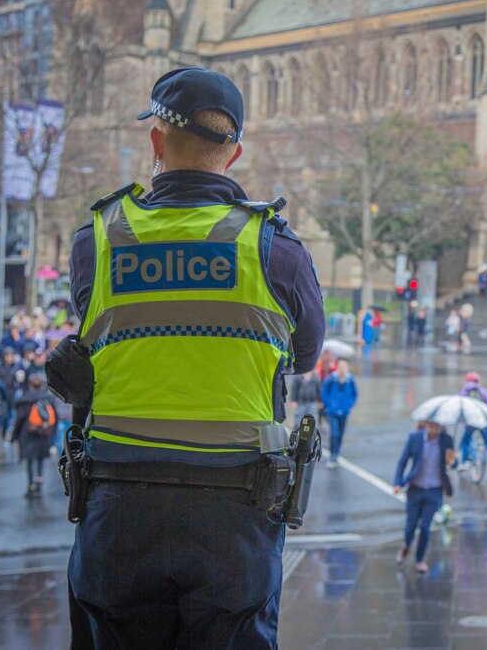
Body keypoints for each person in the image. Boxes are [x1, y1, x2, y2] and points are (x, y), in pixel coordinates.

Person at [65, 67, 324, 648]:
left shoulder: (98, 241)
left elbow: (89, 335)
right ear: (232, 155)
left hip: (117, 504)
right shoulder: (276, 249)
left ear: (156, 142)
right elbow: (303, 355)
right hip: (237, 511)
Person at [393, 420, 455, 574]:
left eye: (438, 427)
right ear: (426, 425)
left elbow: (452, 463)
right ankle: (406, 545)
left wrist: (451, 461)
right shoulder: (415, 438)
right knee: (410, 526)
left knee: (426, 528)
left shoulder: (446, 441)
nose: (434, 430)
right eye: (432, 426)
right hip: (415, 489)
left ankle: (419, 560)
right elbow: (403, 461)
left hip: (434, 491)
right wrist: (398, 482)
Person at [11, 374, 56, 497]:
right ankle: (40, 482)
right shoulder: (49, 398)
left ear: (30, 385)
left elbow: (19, 419)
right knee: (41, 459)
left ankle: (31, 485)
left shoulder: (25, 399)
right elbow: (54, 417)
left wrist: (14, 436)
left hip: (28, 433)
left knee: (30, 461)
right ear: (42, 384)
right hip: (44, 433)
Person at [456, 371, 487, 479]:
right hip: (483, 422)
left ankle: (466, 461)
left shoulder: (463, 392)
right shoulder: (482, 391)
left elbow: (456, 405)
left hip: (470, 422)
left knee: (465, 440)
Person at [321, 358, 358, 468]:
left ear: (347, 368)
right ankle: (332, 456)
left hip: (344, 411)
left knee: (341, 434)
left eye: (344, 366)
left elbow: (354, 394)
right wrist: (329, 404)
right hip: (333, 411)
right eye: (340, 366)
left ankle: (337, 453)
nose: (342, 368)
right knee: (334, 433)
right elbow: (324, 392)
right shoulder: (332, 379)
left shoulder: (350, 379)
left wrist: (349, 405)